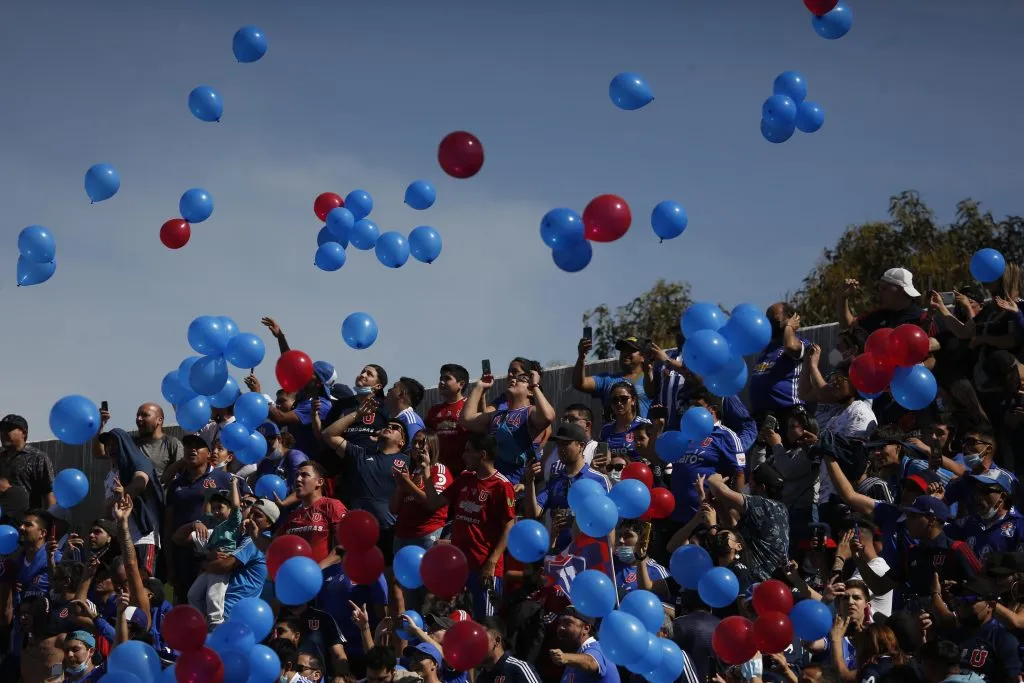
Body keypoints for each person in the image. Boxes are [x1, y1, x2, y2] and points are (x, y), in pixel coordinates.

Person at [422, 433, 516, 619]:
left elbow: (509, 526)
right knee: (450, 620)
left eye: (468, 451)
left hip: (484, 569)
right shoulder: (464, 478)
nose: (463, 455)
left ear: (482, 455)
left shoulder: (501, 485)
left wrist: (492, 562)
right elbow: (434, 502)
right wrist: (426, 474)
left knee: (487, 624)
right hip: (458, 566)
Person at [320, 397, 409, 562]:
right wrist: (358, 414)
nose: (389, 427)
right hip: (358, 532)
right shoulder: (359, 454)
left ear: (402, 441)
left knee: (390, 582)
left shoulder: (408, 461)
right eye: (387, 425)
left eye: (396, 428)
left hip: (390, 532)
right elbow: (328, 434)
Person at [522, 422, 610, 553]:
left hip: (589, 554)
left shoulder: (598, 479)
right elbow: (533, 514)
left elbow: (607, 520)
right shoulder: (555, 480)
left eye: (566, 443)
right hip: (558, 555)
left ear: (581, 446)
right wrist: (529, 483)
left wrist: (575, 522)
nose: (560, 448)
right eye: (558, 444)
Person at [459, 370, 555, 485]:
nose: (513, 380)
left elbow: (548, 416)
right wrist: (479, 387)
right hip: (494, 486)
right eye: (513, 378)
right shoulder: (496, 415)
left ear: (530, 391)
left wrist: (535, 385)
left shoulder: (530, 412)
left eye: (521, 380)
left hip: (518, 489)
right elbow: (465, 419)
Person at [96, 428, 165, 577]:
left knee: (144, 579)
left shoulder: (138, 462)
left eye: (115, 444)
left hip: (143, 536)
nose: (111, 449)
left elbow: (140, 484)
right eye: (108, 445)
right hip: (120, 538)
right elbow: (108, 513)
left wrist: (116, 498)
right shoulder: (110, 475)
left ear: (125, 444)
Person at [176, 479, 243, 629]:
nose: (217, 511)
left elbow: (236, 505)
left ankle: (216, 628)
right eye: (215, 509)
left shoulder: (232, 523)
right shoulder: (214, 523)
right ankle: (201, 626)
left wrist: (232, 484)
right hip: (211, 563)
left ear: (229, 508)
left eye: (220, 507)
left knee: (214, 597)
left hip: (222, 562)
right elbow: (205, 513)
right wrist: (208, 494)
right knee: (193, 595)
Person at [276, 461, 347, 563]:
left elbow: (343, 547)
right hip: (298, 577)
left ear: (319, 482)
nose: (298, 479)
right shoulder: (293, 515)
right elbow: (272, 545)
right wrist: (254, 533)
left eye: (304, 475)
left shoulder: (332, 506)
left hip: (326, 576)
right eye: (297, 475)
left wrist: (316, 571)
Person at [574, 335, 654, 418]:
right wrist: (581, 357)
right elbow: (579, 383)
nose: (625, 353)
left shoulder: (651, 379)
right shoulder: (606, 380)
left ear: (643, 356)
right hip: (612, 431)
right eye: (622, 351)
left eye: (631, 350)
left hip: (642, 430)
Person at [549, 606, 620, 682]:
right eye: (559, 623)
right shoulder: (574, 658)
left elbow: (591, 662)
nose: (561, 627)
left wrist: (564, 657)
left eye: (568, 623)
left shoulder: (598, 648)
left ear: (586, 629)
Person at [0, 414, 56, 508]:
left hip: (25, 520)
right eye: (1, 430)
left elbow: (49, 492)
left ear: (24, 433)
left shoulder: (38, 458)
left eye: (8, 429)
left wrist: (49, 520)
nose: (3, 433)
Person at [425, 363, 471, 475]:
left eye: (447, 379)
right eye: (441, 379)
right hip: (440, 473)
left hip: (465, 472)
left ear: (461, 384)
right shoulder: (434, 410)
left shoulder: (470, 407)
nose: (441, 382)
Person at [477, 616, 542, 683]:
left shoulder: (518, 668)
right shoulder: (481, 678)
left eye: (480, 639)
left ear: (497, 640)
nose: (474, 646)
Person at [386, 376, 426, 449]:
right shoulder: (392, 419)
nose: (389, 390)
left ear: (401, 393)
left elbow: (411, 454)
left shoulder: (412, 423)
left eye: (394, 387)